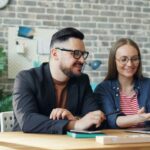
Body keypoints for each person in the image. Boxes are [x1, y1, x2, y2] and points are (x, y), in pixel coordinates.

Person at [12, 27, 105, 134]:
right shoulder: (26, 78)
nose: (82, 60)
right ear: (55, 53)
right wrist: (74, 124)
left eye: (83, 54)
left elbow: (95, 118)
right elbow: (28, 121)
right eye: (76, 53)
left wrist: (74, 119)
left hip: (67, 145)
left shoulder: (82, 81)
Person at [94, 38, 150, 129]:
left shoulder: (148, 85)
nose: (130, 64)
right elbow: (111, 119)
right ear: (114, 61)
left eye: (134, 59)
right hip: (117, 141)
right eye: (123, 59)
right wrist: (138, 118)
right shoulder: (103, 89)